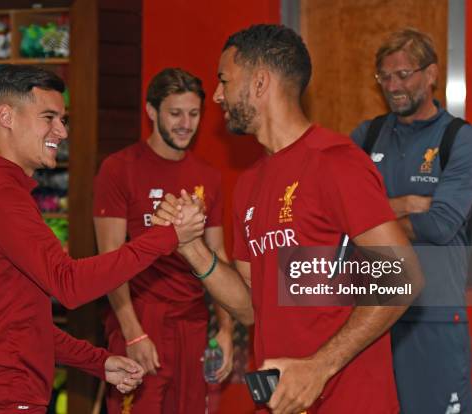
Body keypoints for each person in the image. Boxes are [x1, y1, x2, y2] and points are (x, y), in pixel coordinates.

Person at [154, 25, 423, 414]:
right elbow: (250, 307)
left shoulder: (335, 162)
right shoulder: (248, 184)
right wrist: (191, 249)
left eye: (224, 81)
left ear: (259, 82)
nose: (217, 96)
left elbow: (404, 276)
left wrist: (319, 368)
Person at [0, 65, 204, 413]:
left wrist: (99, 362)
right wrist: (168, 236)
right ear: (6, 116)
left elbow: (21, 324)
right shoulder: (0, 197)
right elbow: (70, 283)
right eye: (49, 117)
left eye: (63, 120)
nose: (61, 131)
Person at [351, 28, 472, 414]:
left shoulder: (460, 138)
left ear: (432, 74)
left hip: (434, 317)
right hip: (371, 317)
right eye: (384, 77)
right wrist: (407, 203)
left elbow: (440, 225)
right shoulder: (366, 136)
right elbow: (340, 216)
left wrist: (374, 216)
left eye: (403, 74)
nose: (393, 86)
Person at [93, 67, 234, 414]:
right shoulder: (118, 168)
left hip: (193, 321)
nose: (186, 123)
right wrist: (132, 333)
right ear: (152, 112)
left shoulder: (209, 177)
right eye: (175, 113)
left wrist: (227, 330)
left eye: (194, 113)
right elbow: (109, 260)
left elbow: (218, 255)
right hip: (141, 316)